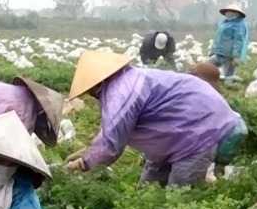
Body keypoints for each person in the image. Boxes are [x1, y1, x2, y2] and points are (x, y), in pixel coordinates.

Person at [64, 50, 246, 186]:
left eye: (89, 90)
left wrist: (85, 162)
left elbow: (112, 145)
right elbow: (112, 128)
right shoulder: (128, 80)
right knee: (148, 189)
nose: (90, 94)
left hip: (196, 135)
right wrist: (90, 149)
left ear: (96, 83)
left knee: (179, 194)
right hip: (172, 138)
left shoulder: (121, 92)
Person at [212, 3, 250, 83]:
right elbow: (218, 38)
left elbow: (239, 41)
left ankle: (228, 88)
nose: (228, 13)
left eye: (231, 12)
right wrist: (213, 50)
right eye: (227, 12)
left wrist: (236, 56)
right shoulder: (225, 23)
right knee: (209, 67)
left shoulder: (239, 25)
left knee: (228, 74)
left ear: (236, 14)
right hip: (220, 52)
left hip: (229, 54)